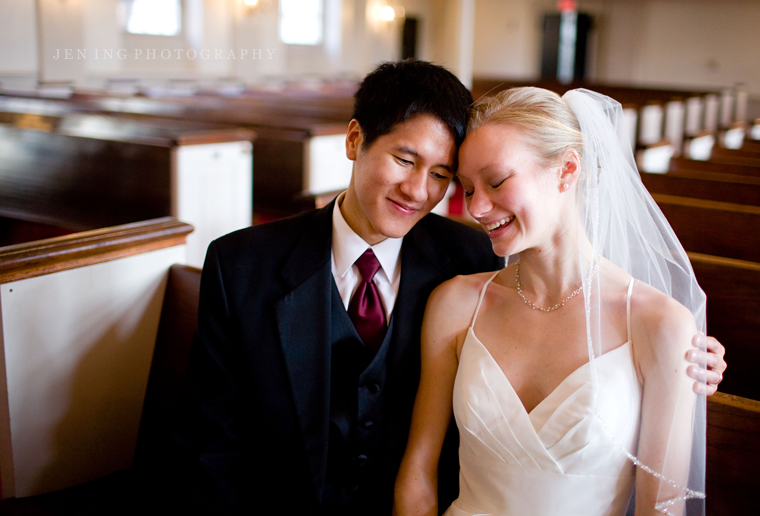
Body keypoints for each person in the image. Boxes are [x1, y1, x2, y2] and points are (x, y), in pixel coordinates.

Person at [177, 61, 724, 515]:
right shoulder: (241, 266)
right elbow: (214, 444)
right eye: (404, 159)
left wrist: (683, 354)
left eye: (443, 176)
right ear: (353, 139)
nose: (421, 191)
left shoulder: (467, 260)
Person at [394, 87, 715, 516]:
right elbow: (417, 470)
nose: (477, 207)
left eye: (497, 181)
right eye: (468, 189)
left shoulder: (660, 325)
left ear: (566, 169)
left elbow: (662, 508)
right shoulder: (456, 303)